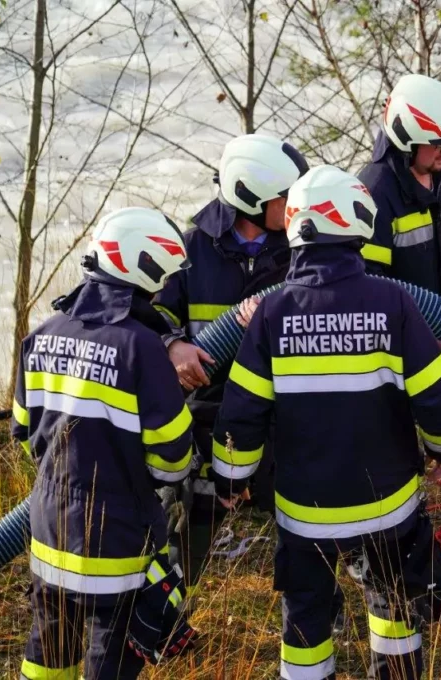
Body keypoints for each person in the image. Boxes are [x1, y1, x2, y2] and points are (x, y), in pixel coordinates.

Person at [211, 165, 441, 679]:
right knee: (394, 603)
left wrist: (232, 481)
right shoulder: (393, 302)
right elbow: (439, 397)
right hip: (388, 506)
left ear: (296, 227)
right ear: (358, 224)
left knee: (305, 622)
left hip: (304, 513)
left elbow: (241, 414)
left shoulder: (271, 312)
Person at [12, 207, 198, 678]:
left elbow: (23, 431)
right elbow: (174, 459)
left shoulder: (41, 335)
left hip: (49, 530)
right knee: (110, 653)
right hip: (115, 539)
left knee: (49, 647)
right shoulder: (143, 347)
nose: (162, 291)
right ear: (143, 271)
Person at [152, 134, 309, 589]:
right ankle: (170, 603)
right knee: (194, 520)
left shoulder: (300, 247)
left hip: (282, 412)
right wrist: (170, 344)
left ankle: (314, 599)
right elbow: (151, 314)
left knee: (302, 516)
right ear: (251, 201)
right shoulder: (190, 251)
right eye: (287, 199)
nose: (297, 207)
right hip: (208, 411)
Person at [357, 73, 441, 319]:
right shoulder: (375, 194)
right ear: (407, 140)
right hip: (397, 345)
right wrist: (416, 334)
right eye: (437, 143)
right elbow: (368, 288)